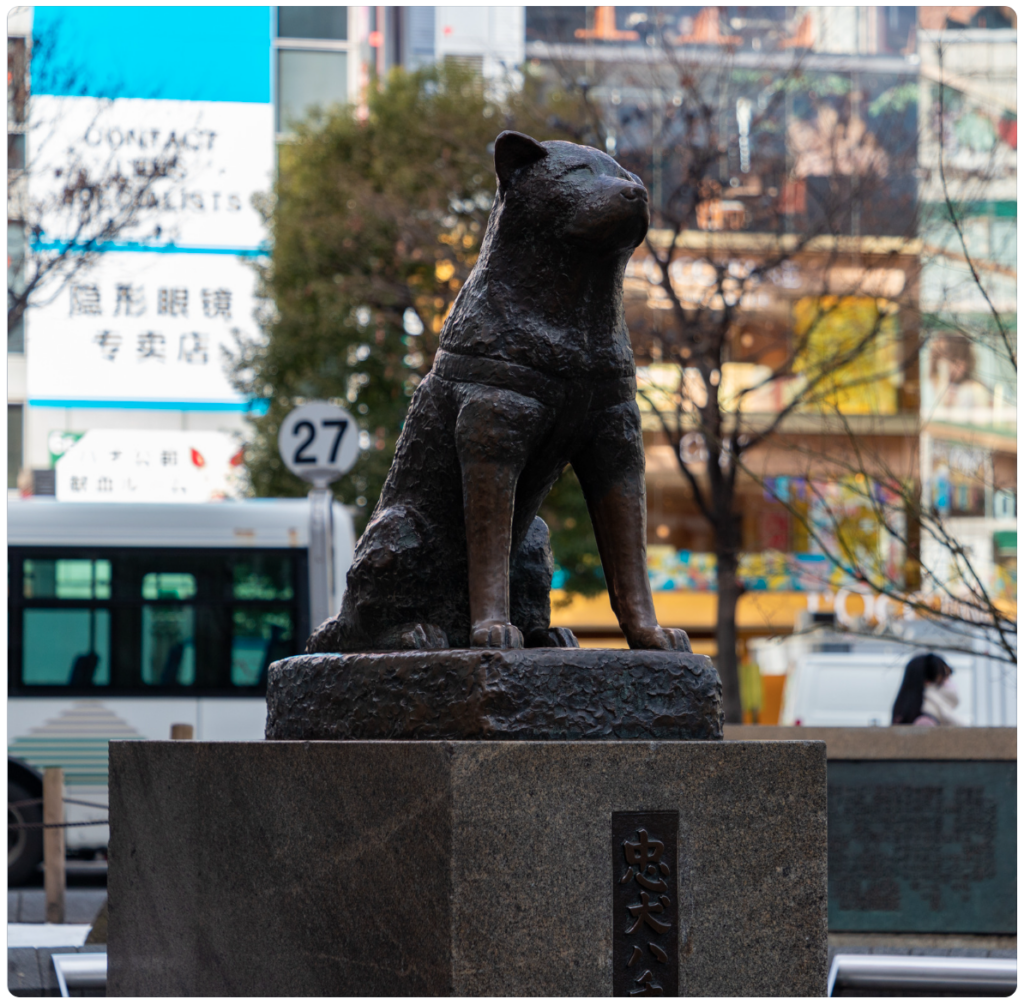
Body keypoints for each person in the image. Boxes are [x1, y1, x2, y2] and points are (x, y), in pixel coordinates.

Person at [891, 653, 963, 726]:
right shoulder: (925, 720)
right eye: (944, 677)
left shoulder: (937, 713)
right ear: (927, 682)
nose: (948, 682)